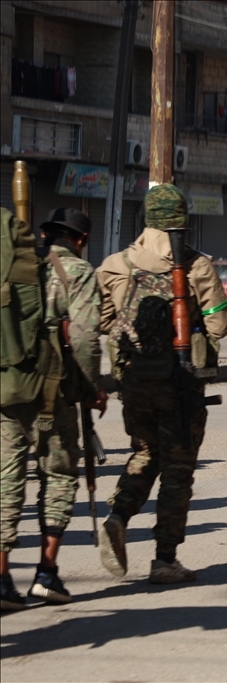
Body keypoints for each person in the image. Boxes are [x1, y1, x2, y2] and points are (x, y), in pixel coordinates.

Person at [95, 184, 227, 584]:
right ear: (183, 221)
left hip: (135, 382)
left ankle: (118, 516)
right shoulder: (196, 266)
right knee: (177, 470)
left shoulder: (115, 264)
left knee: (144, 453)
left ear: (147, 218)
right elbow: (221, 325)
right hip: (181, 385)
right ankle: (164, 558)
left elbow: (103, 322)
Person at [0, 208, 105, 609]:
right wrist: (93, 389)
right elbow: (84, 339)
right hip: (54, 395)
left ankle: (2, 577)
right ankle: (46, 574)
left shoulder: (14, 267)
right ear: (80, 239)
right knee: (58, 477)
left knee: (6, 481)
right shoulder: (78, 273)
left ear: (43, 235)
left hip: (9, 390)